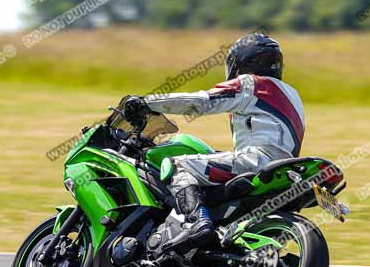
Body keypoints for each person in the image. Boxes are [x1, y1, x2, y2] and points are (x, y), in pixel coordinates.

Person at [125, 33, 305, 251]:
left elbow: (202, 102)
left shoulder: (252, 84)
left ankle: (195, 222)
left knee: (176, 165)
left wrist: (147, 103)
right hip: (282, 166)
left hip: (256, 160)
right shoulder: (292, 95)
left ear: (241, 62)